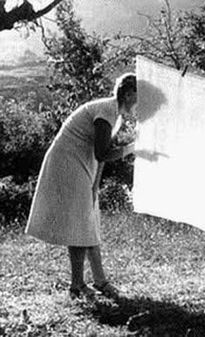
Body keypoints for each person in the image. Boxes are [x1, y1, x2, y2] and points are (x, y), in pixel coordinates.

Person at [25, 73, 137, 300]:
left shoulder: (114, 113)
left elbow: (101, 156)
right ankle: (77, 285)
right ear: (128, 94)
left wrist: (95, 185)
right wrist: (133, 147)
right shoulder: (106, 111)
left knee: (89, 222)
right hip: (66, 162)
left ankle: (100, 281)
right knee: (80, 225)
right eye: (139, 96)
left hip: (82, 164)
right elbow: (102, 152)